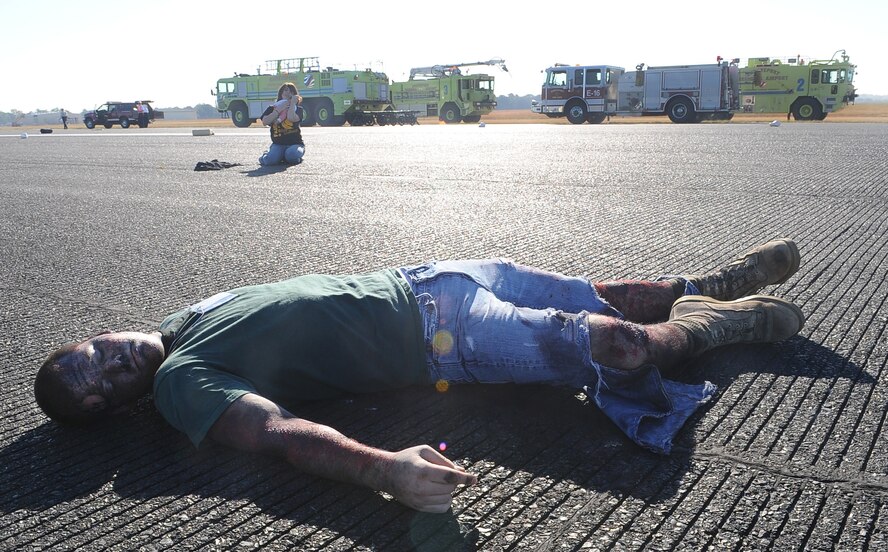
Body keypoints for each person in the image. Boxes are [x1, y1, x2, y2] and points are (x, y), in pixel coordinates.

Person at [34, 239, 803, 513]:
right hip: (439, 337)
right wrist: (383, 470)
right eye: (102, 383)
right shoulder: (181, 380)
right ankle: (723, 323)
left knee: (605, 294)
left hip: (427, 278)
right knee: (620, 345)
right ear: (110, 406)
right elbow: (274, 432)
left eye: (95, 349)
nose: (116, 361)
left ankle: (713, 282)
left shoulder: (183, 320)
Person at [259, 82, 305, 166]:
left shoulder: (298, 109)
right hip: (278, 144)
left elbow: (291, 118)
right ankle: (267, 154)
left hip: (295, 144)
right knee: (270, 161)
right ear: (281, 93)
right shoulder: (272, 108)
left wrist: (292, 104)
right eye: (286, 90)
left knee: (291, 155)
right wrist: (278, 110)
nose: (288, 93)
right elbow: (265, 122)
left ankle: (290, 157)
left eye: (291, 91)